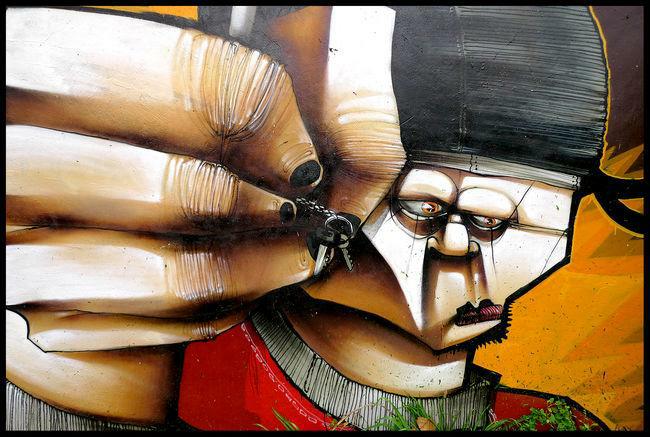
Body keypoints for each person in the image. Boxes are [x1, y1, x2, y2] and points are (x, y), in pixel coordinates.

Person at [5, 6, 640, 431]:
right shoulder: (141, 371)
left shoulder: (556, 424)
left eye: (500, 223)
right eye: (424, 210)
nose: (461, 253)